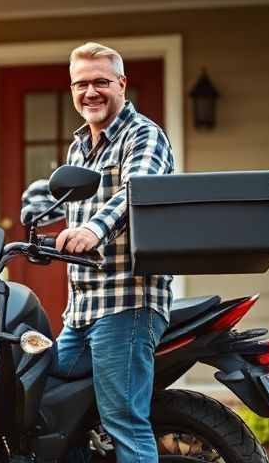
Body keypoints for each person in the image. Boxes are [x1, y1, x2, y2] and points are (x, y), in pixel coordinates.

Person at [23, 42, 174, 462]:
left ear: (121, 84)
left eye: (101, 82)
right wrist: (46, 238)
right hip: (81, 312)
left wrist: (93, 229)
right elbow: (71, 209)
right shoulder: (79, 148)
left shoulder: (143, 135)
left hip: (127, 303)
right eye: (81, 83)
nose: (90, 92)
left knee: (123, 421)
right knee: (49, 404)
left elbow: (135, 192)